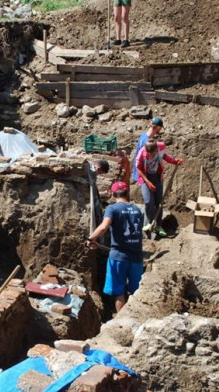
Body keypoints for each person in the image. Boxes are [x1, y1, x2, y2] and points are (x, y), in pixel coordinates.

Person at [87, 181, 144, 312]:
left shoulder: (112, 209)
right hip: (136, 257)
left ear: (113, 194)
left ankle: (121, 324)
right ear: (127, 193)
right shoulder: (137, 209)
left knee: (119, 292)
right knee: (137, 293)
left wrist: (91, 239)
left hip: (119, 257)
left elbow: (103, 227)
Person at [134, 140, 183, 237]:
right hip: (145, 177)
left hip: (157, 177)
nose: (152, 156)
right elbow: (138, 169)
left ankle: (159, 225)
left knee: (159, 202)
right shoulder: (141, 154)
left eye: (153, 153)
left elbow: (164, 156)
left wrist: (174, 161)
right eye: (150, 154)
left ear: (156, 149)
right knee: (148, 201)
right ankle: (149, 222)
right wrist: (147, 182)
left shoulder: (160, 147)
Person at [132, 116, 164, 182]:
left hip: (138, 171)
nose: (160, 130)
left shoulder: (143, 136)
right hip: (143, 174)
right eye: (160, 128)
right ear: (158, 127)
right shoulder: (147, 142)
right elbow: (145, 160)